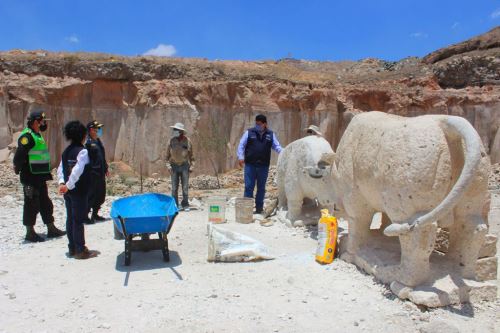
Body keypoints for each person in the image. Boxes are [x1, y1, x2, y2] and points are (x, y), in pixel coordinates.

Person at [13, 110, 66, 242]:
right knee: (31, 204)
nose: (43, 123)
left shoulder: (37, 135)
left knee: (45, 203)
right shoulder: (27, 137)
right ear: (36, 122)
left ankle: (51, 228)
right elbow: (19, 156)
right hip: (30, 176)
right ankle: (30, 232)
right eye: (42, 121)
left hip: (40, 176)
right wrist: (17, 168)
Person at [57, 121, 98, 259]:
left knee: (70, 219)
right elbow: (77, 171)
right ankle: (80, 250)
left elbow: (60, 169)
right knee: (78, 220)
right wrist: (68, 185)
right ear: (82, 135)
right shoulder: (83, 152)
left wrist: (62, 183)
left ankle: (72, 247)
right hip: (78, 190)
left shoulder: (66, 151)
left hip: (68, 191)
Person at [237, 114, 282, 214]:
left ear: (265, 124)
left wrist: (284, 153)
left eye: (259, 124)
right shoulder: (249, 132)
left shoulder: (270, 134)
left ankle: (259, 209)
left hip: (263, 166)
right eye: (256, 123)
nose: (257, 125)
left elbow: (277, 146)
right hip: (250, 165)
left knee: (261, 188)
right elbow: (241, 145)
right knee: (249, 187)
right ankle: (247, 210)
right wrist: (240, 157)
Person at [166, 122, 195, 211]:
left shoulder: (188, 141)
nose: (174, 131)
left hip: (184, 166)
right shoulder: (171, 141)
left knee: (185, 187)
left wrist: (192, 166)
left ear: (181, 131)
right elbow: (166, 156)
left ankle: (185, 204)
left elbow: (192, 155)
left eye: (176, 130)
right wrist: (168, 166)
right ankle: (175, 205)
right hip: (174, 166)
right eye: (174, 130)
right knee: (174, 188)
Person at [85, 120, 109, 224]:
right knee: (91, 195)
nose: (99, 130)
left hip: (101, 173)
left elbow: (102, 157)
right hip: (93, 174)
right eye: (97, 128)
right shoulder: (88, 143)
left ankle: (95, 213)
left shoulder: (98, 142)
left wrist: (106, 168)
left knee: (100, 194)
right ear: (91, 130)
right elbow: (86, 160)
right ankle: (85, 216)